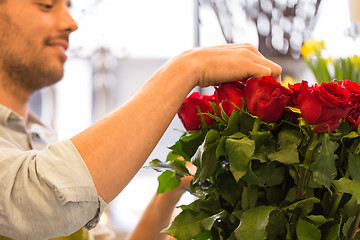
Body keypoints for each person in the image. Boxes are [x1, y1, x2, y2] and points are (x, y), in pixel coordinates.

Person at [0, 0, 282, 239]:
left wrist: (171, 191)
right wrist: (186, 67)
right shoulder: (32, 170)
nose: (71, 22)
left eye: (69, 5)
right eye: (46, 5)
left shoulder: (40, 137)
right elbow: (35, 200)